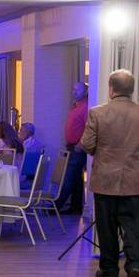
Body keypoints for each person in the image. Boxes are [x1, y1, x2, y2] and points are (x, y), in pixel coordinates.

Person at [81, 70, 139, 277]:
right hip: (134, 181)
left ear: (111, 89)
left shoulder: (98, 113)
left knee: (106, 228)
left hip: (105, 179)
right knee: (133, 227)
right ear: (131, 90)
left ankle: (109, 269)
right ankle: (135, 266)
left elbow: (86, 144)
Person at [54, 81, 89, 214]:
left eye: (77, 90)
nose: (74, 92)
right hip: (72, 147)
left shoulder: (85, 107)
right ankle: (76, 207)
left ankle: (56, 206)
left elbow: (89, 127)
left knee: (68, 177)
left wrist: (80, 144)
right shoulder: (76, 106)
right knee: (75, 179)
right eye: (73, 89)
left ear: (85, 92)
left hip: (77, 149)